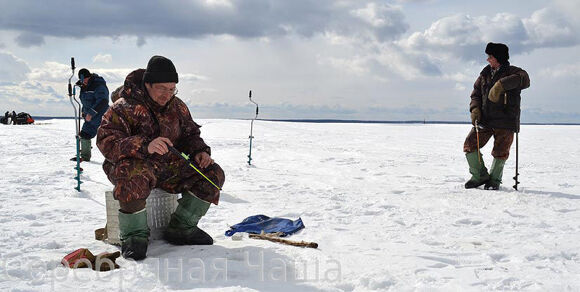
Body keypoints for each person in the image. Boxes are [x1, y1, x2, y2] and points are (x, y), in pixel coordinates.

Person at [96, 55, 225, 260]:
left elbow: (191, 134)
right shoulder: (123, 107)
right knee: (133, 172)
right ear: (147, 84)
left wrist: (200, 152)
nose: (168, 94)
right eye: (162, 88)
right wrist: (145, 146)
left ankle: (182, 228)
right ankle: (134, 237)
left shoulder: (178, 106)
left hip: (169, 167)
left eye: (172, 89)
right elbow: (106, 142)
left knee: (212, 173)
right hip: (132, 166)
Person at [463, 42, 530, 190]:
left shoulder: (514, 72)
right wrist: (475, 109)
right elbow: (476, 94)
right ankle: (479, 175)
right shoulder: (484, 74)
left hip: (506, 121)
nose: (488, 59)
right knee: (470, 145)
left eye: (490, 56)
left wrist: (501, 84)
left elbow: (525, 80)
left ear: (499, 58)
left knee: (500, 152)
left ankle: (494, 181)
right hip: (485, 120)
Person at [71, 68, 109, 162]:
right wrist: (84, 111)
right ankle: (84, 157)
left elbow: (103, 101)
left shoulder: (98, 85)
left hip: (102, 116)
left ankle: (113, 159)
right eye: (82, 80)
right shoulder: (84, 86)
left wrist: (91, 113)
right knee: (84, 134)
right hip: (90, 118)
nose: (83, 82)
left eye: (85, 79)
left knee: (107, 139)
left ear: (89, 77)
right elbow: (86, 102)